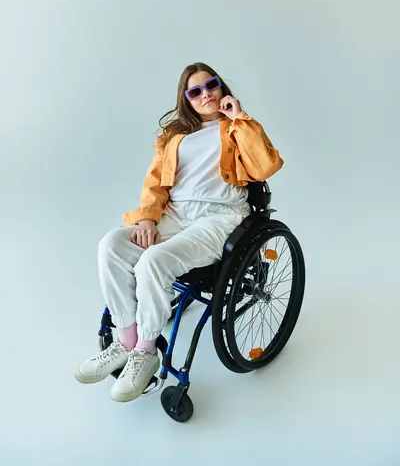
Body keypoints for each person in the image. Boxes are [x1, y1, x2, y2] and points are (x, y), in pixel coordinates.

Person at [74, 62, 284, 402]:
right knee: (111, 245)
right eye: (195, 91)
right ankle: (126, 340)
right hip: (175, 215)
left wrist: (239, 118)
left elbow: (266, 165)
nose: (206, 94)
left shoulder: (236, 129)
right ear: (186, 99)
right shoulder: (175, 137)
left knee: (153, 262)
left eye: (211, 85)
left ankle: (146, 351)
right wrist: (147, 219)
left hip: (220, 218)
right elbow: (156, 183)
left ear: (221, 87)